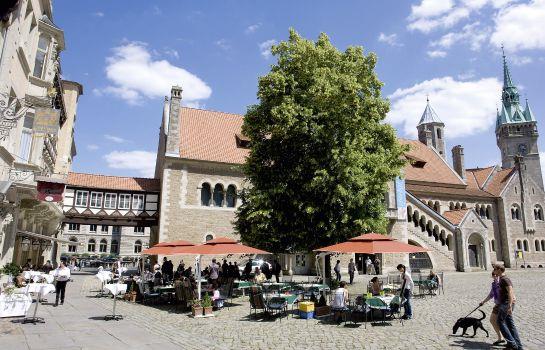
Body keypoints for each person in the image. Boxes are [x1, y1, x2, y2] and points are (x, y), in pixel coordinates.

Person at [494, 264, 522, 350]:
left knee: (500, 322)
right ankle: (518, 346)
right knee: (510, 324)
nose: (494, 271)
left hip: (506, 304)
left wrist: (510, 305)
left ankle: (512, 343)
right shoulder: (501, 279)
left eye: (495, 269)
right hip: (505, 303)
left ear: (499, 270)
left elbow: (510, 291)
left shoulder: (505, 279)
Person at [479, 271, 504, 346]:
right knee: (493, 320)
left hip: (503, 305)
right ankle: (501, 337)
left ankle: (507, 339)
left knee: (502, 322)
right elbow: (491, 295)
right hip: (497, 304)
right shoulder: (493, 284)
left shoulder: (502, 283)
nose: (495, 276)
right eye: (493, 275)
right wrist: (483, 302)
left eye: (496, 275)